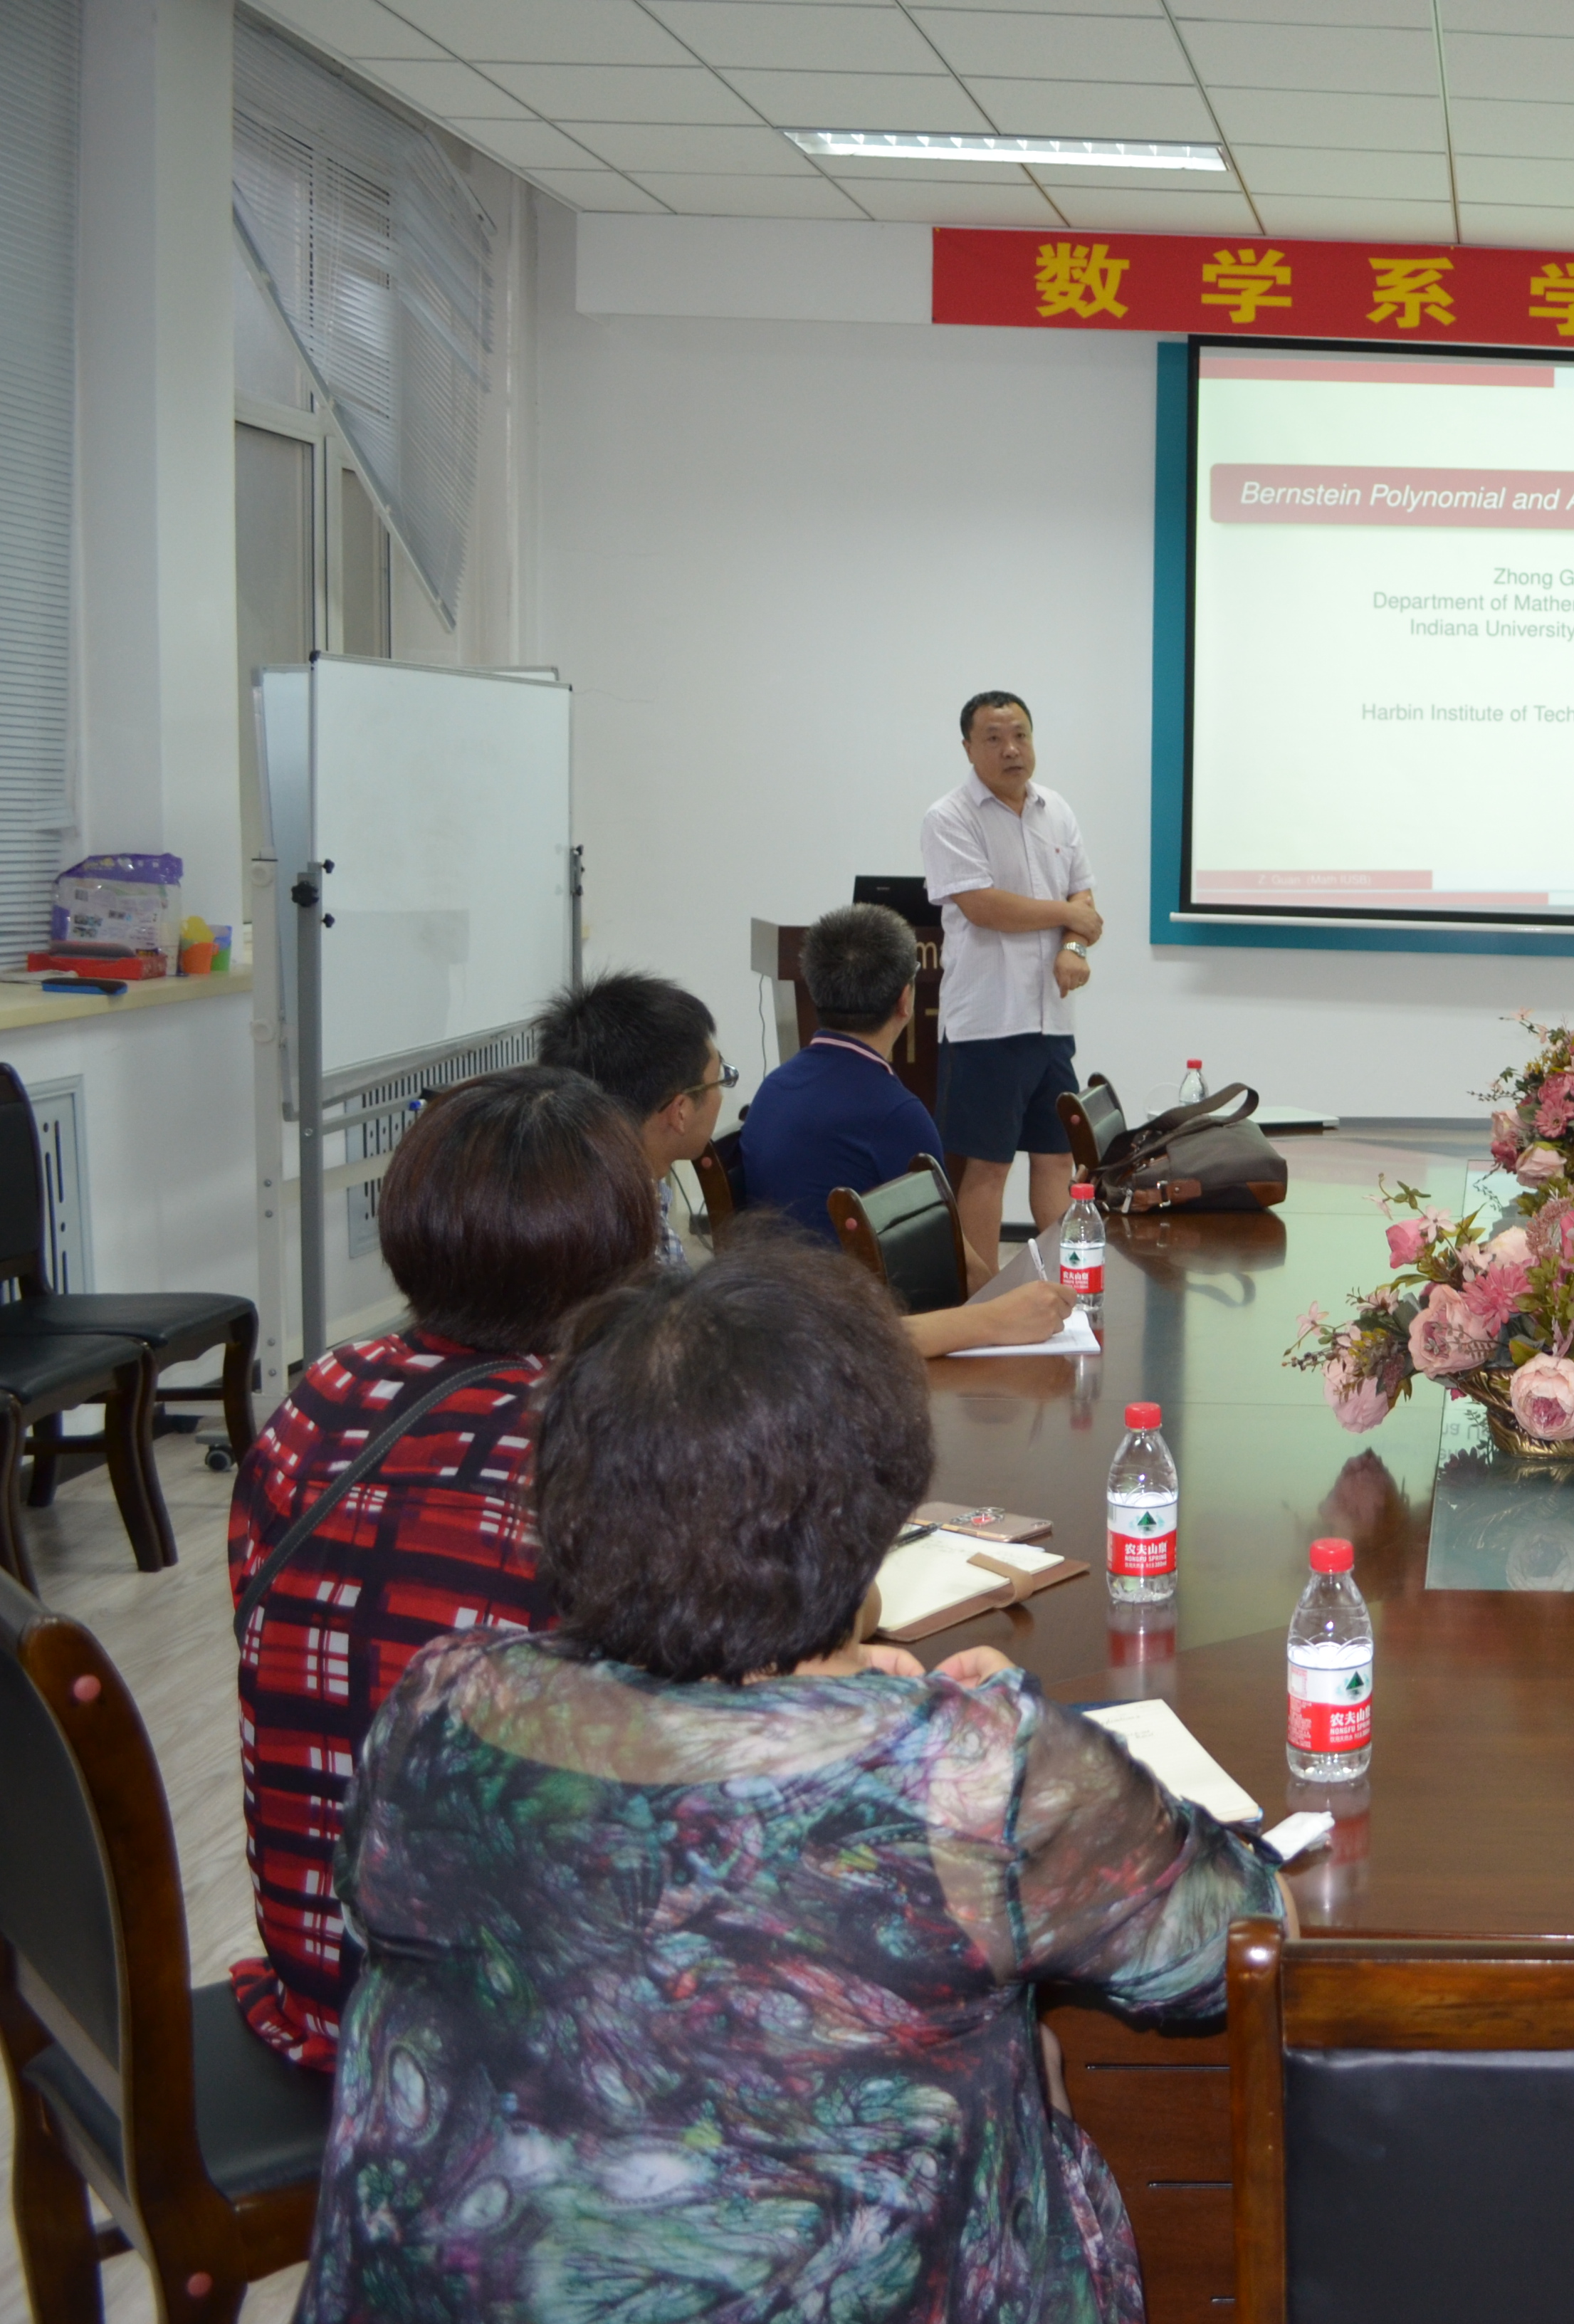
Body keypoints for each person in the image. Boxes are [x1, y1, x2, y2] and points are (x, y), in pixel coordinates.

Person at [295, 1240, 1284, 2321]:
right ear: (877, 1510)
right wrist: (959, 1725)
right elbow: (1238, 1941)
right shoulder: (970, 1768)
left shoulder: (439, 1704)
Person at [226, 1067, 661, 2069]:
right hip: (513, 2050)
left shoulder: (316, 1401)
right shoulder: (593, 1443)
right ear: (623, 1242)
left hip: (324, 1982)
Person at [739, 901, 1082, 1357]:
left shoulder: (773, 1088)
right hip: (855, 1333)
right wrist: (1010, 1304)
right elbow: (955, 1267)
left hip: (767, 1315)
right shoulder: (895, 1113)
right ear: (906, 1000)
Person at [926, 689, 1098, 1279]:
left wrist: (1074, 946)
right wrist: (1068, 916)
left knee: (1056, 1159)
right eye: (994, 738)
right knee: (988, 1168)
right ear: (968, 748)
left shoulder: (1057, 809)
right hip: (988, 1023)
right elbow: (984, 907)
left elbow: (1083, 896)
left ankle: (1062, 1291)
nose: (1011, 749)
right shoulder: (949, 817)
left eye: (1020, 735)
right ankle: (983, 1300)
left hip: (1051, 1018)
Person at [535, 969, 732, 1269]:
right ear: (679, 1111)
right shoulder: (629, 1240)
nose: (721, 1094)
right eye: (719, 1079)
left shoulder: (559, 1189)